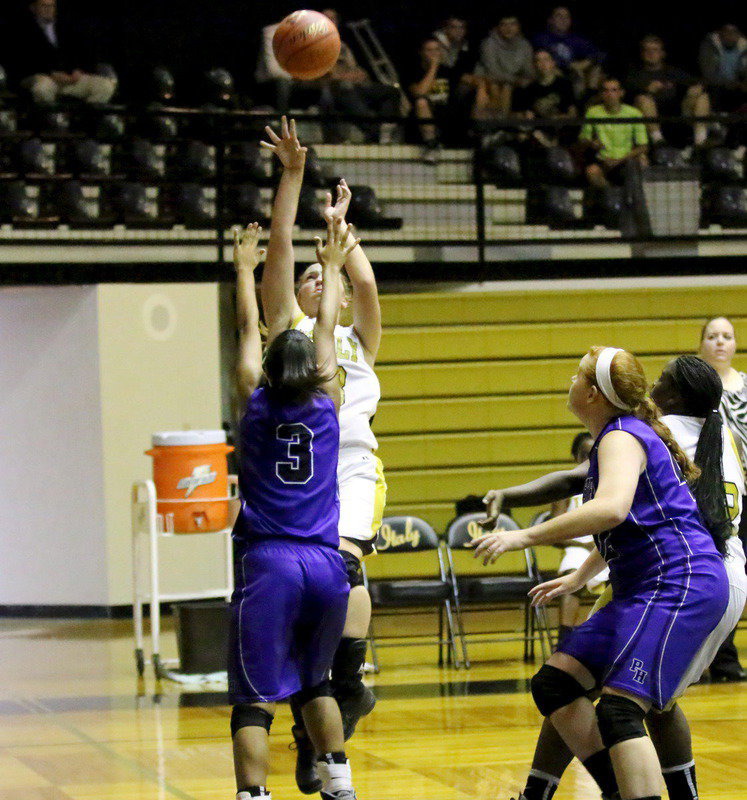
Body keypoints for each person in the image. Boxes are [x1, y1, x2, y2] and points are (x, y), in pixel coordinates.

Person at [483, 354, 747, 800]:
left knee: (628, 707)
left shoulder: (630, 436)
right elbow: (632, 516)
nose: (654, 388)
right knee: (558, 683)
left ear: (593, 393)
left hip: (681, 580)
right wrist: (579, 576)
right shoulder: (645, 433)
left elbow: (611, 508)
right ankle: (614, 790)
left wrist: (523, 536)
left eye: (577, 374)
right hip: (660, 577)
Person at [259, 117, 386, 794]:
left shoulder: (358, 339)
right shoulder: (289, 334)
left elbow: (362, 289)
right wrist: (290, 180)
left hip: (355, 467)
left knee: (344, 566)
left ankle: (346, 680)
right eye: (307, 276)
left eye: (321, 273)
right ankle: (317, 721)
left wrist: (343, 234)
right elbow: (279, 247)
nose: (314, 278)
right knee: (305, 607)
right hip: (299, 475)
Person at [229, 217, 360, 800]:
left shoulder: (254, 401)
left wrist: (243, 271)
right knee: (317, 683)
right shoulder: (329, 399)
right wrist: (331, 267)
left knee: (252, 697)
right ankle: (340, 787)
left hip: (271, 562)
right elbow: (328, 323)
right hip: (327, 564)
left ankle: (253, 796)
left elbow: (245, 328)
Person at [549, 431, 608, 647]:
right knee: (571, 576)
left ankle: (610, 638)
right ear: (575, 456)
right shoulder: (566, 488)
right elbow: (555, 533)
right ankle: (564, 640)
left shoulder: (611, 482)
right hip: (577, 548)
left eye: (594, 454)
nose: (590, 459)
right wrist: (583, 543)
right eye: (584, 454)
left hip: (607, 547)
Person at [10, 0, 117, 106]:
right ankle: (51, 121)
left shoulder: (65, 26)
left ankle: (84, 120)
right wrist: (51, 73)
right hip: (41, 75)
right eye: (44, 6)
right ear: (33, 8)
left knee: (104, 86)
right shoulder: (22, 29)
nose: (49, 10)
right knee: (43, 88)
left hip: (69, 76)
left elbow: (81, 51)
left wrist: (78, 70)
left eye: (52, 6)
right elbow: (24, 60)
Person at [320, 9, 401, 144]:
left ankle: (386, 129)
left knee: (390, 91)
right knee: (345, 87)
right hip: (330, 89)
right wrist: (345, 76)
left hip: (353, 87)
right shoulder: (312, 44)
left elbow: (354, 68)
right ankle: (375, 131)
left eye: (333, 19)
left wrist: (361, 73)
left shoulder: (343, 45)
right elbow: (325, 73)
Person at [626, 35, 711, 147]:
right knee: (643, 99)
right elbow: (626, 93)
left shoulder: (672, 71)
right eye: (647, 50)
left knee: (701, 96)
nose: (651, 53)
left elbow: (697, 82)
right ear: (642, 54)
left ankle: (701, 141)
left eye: (655, 50)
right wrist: (646, 90)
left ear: (662, 54)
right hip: (648, 119)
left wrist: (697, 88)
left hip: (677, 115)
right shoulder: (634, 74)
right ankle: (658, 141)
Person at [579, 77, 648, 188]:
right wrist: (592, 143)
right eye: (606, 91)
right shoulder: (593, 112)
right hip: (602, 160)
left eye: (614, 90)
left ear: (621, 93)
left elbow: (643, 146)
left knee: (642, 160)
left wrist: (619, 160)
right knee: (592, 171)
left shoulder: (634, 113)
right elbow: (583, 139)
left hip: (626, 160)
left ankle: (635, 198)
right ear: (601, 94)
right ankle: (611, 192)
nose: (610, 94)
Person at [532, 6, 602, 99]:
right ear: (550, 20)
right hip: (553, 71)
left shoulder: (576, 39)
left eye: (567, 17)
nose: (563, 20)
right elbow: (540, 59)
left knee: (594, 68)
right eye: (559, 16)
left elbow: (598, 54)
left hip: (574, 72)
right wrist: (570, 66)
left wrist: (582, 64)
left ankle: (588, 99)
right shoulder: (542, 38)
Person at [513, 49, 577, 148]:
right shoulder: (529, 88)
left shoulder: (565, 84)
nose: (542, 64)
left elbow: (572, 114)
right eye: (538, 61)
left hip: (558, 128)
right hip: (537, 128)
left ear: (553, 63)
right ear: (534, 65)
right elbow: (521, 114)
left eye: (546, 60)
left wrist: (559, 118)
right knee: (522, 135)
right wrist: (525, 115)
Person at [475, 15, 534, 115]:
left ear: (518, 27)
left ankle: (501, 123)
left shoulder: (525, 45)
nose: (508, 28)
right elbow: (492, 71)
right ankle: (492, 124)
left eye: (512, 24)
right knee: (498, 86)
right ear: (498, 27)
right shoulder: (489, 43)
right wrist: (515, 80)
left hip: (511, 81)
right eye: (504, 24)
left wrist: (525, 79)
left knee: (507, 86)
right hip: (488, 78)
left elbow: (529, 72)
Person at [698, 22, 747, 112]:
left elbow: (744, 72)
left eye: (734, 32)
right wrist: (729, 83)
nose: (730, 35)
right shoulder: (710, 45)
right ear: (720, 33)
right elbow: (708, 74)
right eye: (727, 31)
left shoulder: (744, 47)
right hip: (715, 87)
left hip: (737, 88)